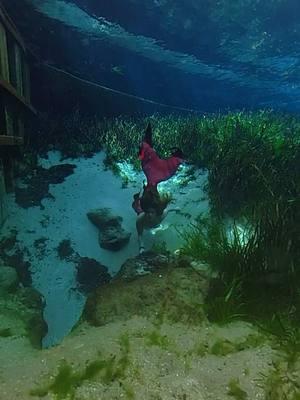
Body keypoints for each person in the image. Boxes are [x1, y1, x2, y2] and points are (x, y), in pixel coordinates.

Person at [132, 123, 183, 254]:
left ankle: (148, 147)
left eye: (150, 213)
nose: (148, 216)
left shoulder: (160, 215)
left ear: (155, 213)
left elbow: (168, 209)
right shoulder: (140, 219)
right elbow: (139, 236)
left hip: (150, 198)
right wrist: (141, 248)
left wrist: (176, 208)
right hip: (148, 199)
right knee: (140, 200)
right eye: (148, 213)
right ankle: (148, 147)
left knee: (150, 183)